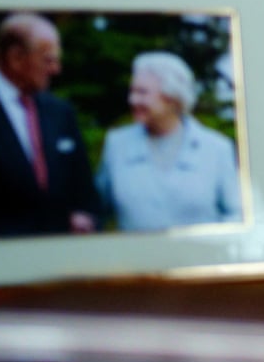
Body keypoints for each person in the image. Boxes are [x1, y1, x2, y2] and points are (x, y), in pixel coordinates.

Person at [0, 13, 100, 237]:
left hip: (61, 259)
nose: (56, 69)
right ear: (16, 58)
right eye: (48, 59)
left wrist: (85, 217)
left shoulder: (60, 112)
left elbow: (85, 192)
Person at [96, 51, 242, 231]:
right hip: (135, 258)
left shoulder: (217, 148)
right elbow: (96, 211)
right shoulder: (117, 145)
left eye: (142, 92)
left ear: (172, 99)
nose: (132, 100)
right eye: (132, 91)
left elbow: (236, 214)